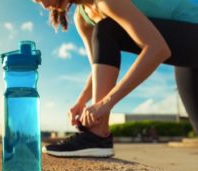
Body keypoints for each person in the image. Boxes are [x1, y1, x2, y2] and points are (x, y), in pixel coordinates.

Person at [33, 0, 198, 157]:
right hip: (186, 56)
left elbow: (157, 49)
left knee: (106, 27)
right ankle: (97, 135)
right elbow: (99, 69)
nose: (45, 5)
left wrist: (105, 103)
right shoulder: (82, 18)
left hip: (192, 30)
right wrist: (82, 100)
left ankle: (98, 135)